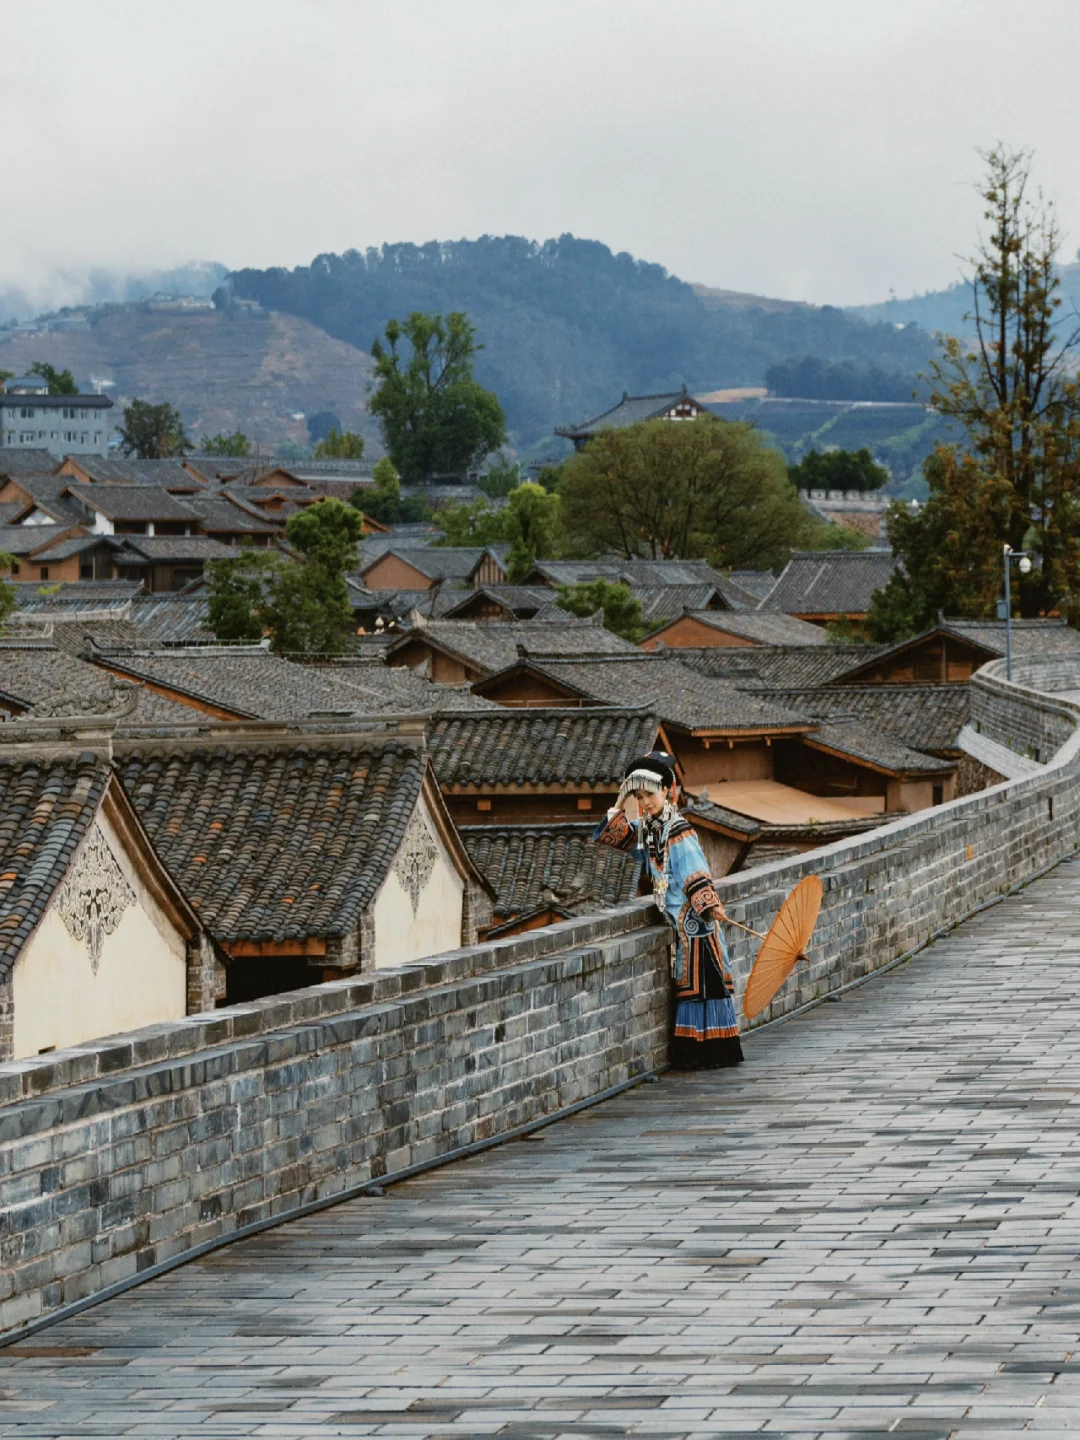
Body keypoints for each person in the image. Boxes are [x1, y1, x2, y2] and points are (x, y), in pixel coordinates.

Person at [594, 750, 743, 1069]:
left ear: (667, 791)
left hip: (695, 922)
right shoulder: (649, 830)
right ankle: (700, 1053)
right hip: (680, 923)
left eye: (649, 794)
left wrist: (708, 904)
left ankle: (709, 1054)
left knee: (701, 987)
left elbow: (695, 871)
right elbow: (614, 835)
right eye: (639, 796)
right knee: (690, 986)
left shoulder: (678, 830)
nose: (644, 802)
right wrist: (619, 804)